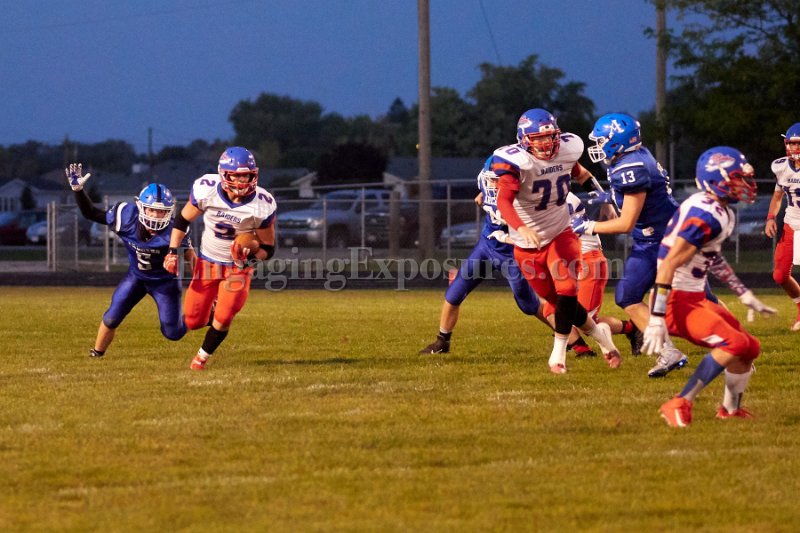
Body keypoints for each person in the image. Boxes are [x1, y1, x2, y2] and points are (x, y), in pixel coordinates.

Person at [644, 146, 770, 427]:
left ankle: (730, 409)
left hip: (696, 296)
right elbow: (668, 264)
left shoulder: (721, 211)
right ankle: (679, 402)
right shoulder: (705, 215)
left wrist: (743, 293)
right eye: (737, 178)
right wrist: (656, 317)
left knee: (750, 347)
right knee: (735, 343)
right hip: (675, 300)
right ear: (716, 180)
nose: (745, 184)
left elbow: (711, 257)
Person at [494, 108, 622, 374]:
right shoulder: (515, 162)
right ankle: (601, 336)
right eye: (538, 138)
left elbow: (582, 175)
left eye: (550, 136)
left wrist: (605, 200)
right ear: (524, 139)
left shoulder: (566, 150)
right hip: (527, 244)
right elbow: (503, 200)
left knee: (567, 290)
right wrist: (520, 227)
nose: (546, 143)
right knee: (557, 301)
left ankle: (558, 354)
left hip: (560, 233)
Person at [574, 112, 688, 378]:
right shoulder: (630, 158)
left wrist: (587, 226)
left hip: (667, 239)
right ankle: (668, 352)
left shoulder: (631, 168)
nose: (598, 145)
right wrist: (606, 199)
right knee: (628, 295)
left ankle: (735, 347)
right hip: (650, 239)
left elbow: (626, 223)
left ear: (618, 140)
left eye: (602, 140)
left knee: (694, 300)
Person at [165, 147, 277, 370]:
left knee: (225, 317)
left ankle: (201, 358)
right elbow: (182, 220)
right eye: (236, 175)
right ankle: (214, 306)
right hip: (208, 263)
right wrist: (172, 252)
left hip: (238, 269)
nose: (242, 181)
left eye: (247, 175)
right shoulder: (207, 189)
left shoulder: (262, 203)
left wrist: (250, 258)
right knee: (193, 320)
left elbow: (268, 248)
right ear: (224, 174)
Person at [419, 158, 547, 354]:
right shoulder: (489, 187)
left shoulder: (525, 197)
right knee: (454, 293)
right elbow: (483, 198)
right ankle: (442, 341)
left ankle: (573, 338)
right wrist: (484, 196)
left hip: (511, 252)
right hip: (487, 245)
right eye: (491, 180)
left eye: (498, 180)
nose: (493, 184)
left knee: (528, 304)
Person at [66, 163, 193, 357]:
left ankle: (205, 317)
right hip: (136, 277)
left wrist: (204, 287)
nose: (156, 216)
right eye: (151, 210)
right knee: (111, 317)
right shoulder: (126, 217)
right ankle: (97, 353)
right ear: (141, 207)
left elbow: (192, 260)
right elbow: (91, 213)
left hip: (165, 283)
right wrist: (78, 191)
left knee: (173, 333)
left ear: (170, 212)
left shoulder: (175, 231)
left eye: (161, 211)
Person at [552, 192, 643, 356]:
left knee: (586, 321)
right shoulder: (547, 194)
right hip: (568, 261)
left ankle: (632, 328)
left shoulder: (560, 197)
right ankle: (579, 349)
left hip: (587, 260)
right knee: (551, 309)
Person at [765, 122, 800, 330]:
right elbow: (778, 196)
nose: (794, 148)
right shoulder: (781, 166)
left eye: (798, 144)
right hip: (791, 224)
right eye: (791, 143)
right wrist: (771, 217)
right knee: (779, 275)